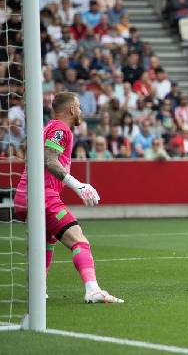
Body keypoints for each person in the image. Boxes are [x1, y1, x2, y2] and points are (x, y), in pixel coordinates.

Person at [12, 92, 123, 303]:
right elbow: (49, 159)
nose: (81, 111)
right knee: (79, 241)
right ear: (72, 109)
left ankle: (38, 289)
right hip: (42, 194)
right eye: (79, 107)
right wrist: (78, 185)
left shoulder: (47, 128)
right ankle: (92, 289)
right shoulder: (60, 129)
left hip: (25, 195)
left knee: (46, 242)